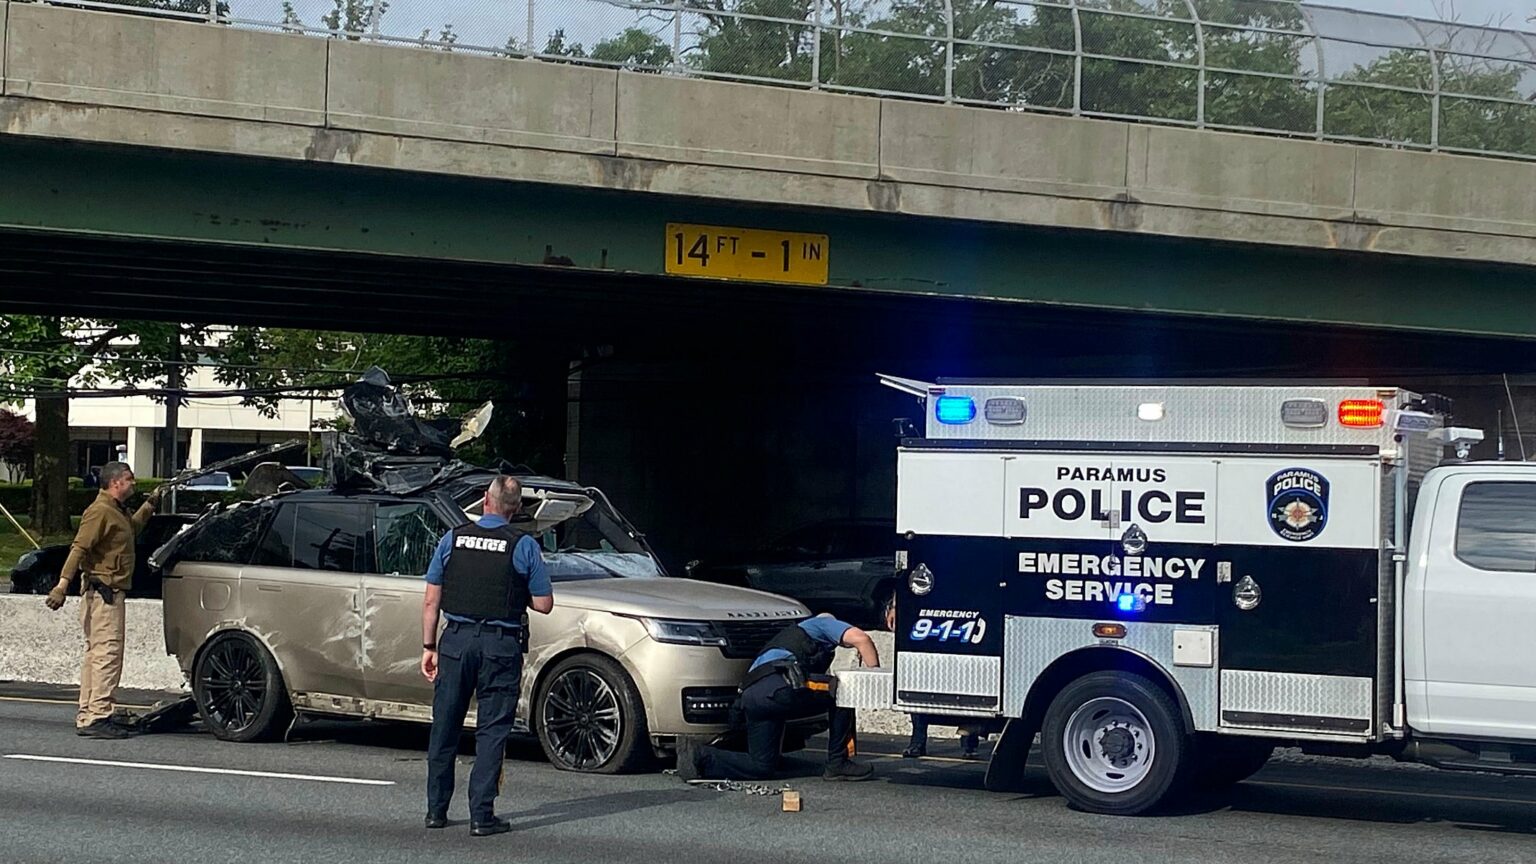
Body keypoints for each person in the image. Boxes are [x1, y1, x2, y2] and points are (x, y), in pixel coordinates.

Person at [420, 475, 553, 837]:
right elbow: (543, 604)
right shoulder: (523, 545)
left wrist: (428, 647)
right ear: (517, 508)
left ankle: (436, 810)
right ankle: (482, 816)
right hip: (499, 646)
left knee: (445, 725)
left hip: (456, 643)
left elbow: (432, 600)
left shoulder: (454, 538)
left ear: (485, 500)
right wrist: (513, 592)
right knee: (492, 731)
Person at [678, 614, 880, 782]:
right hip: (778, 685)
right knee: (844, 690)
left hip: (752, 697)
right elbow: (861, 639)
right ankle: (839, 763)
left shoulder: (787, 642)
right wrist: (874, 681)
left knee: (762, 767)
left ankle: (699, 756)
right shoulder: (821, 623)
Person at [44, 462, 163, 739]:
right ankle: (98, 715)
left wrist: (152, 503)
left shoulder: (115, 512)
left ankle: (88, 713)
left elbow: (130, 529)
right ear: (115, 483)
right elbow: (79, 548)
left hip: (104, 593)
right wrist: (62, 585)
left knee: (96, 655)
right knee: (107, 655)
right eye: (129, 479)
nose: (134, 483)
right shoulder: (99, 512)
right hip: (104, 594)